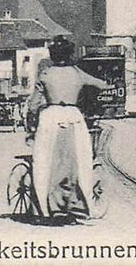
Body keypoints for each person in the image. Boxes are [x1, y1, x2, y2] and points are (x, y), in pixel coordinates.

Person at [26, 37, 111, 219]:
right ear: (70, 54)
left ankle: (47, 205)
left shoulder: (46, 74)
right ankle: (76, 202)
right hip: (74, 117)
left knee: (46, 160)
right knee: (78, 160)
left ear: (52, 55)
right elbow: (102, 85)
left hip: (50, 117)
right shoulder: (77, 73)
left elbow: (33, 104)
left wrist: (32, 116)